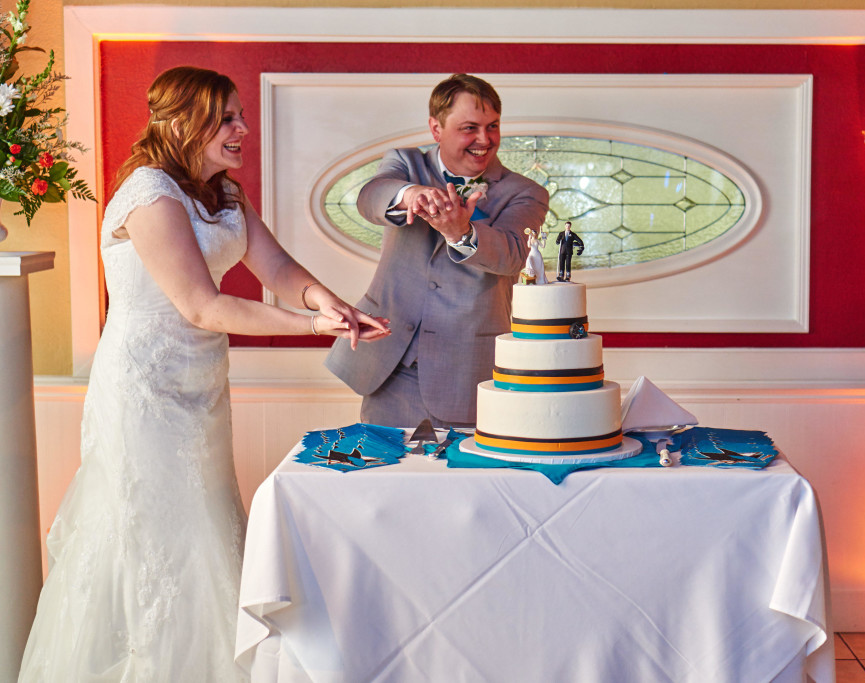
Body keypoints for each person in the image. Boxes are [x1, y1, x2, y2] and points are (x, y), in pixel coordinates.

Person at [18, 66, 388, 682]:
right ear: (183, 122)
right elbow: (202, 304)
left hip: (201, 387)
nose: (243, 128)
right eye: (227, 118)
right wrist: (312, 329)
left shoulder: (226, 194)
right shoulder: (147, 193)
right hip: (143, 390)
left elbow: (276, 267)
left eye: (241, 114)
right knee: (159, 533)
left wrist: (327, 301)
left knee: (212, 526)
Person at [325, 73, 550, 428]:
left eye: (492, 126)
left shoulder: (526, 192)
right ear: (436, 129)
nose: (484, 140)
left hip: (464, 369)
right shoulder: (405, 162)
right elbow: (370, 198)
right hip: (389, 362)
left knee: (462, 480)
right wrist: (409, 195)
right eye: (470, 128)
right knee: (389, 474)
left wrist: (462, 232)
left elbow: (512, 255)